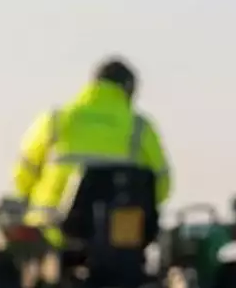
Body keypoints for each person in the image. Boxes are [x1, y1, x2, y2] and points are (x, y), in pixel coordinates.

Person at [12, 58, 172, 230]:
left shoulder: (55, 120)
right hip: (118, 240)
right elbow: (161, 185)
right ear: (128, 90)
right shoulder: (140, 128)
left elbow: (23, 175)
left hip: (51, 231)